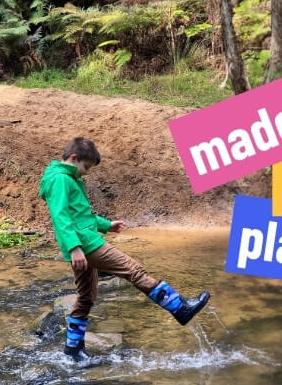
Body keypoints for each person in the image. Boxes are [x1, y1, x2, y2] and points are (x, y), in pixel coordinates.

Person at [38, 137, 210, 358]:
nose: (87, 172)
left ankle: (73, 348)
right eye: (86, 167)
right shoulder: (61, 180)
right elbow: (61, 217)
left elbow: (81, 215)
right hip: (86, 244)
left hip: (84, 240)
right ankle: (179, 308)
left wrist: (106, 225)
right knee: (134, 270)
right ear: (74, 158)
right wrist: (74, 248)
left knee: (87, 297)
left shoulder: (68, 178)